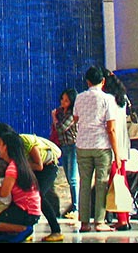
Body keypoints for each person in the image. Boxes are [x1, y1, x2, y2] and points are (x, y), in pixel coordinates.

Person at [0, 123, 64, 243]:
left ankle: (56, 230)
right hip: (28, 167)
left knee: (39, 196)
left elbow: (39, 166)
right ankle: (24, 228)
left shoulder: (24, 141)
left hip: (47, 166)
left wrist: (18, 165)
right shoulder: (9, 154)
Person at [73, 65, 120, 233]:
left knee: (84, 184)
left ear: (87, 81)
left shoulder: (79, 98)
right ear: (103, 81)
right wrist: (117, 152)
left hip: (83, 145)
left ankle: (84, 223)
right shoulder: (107, 99)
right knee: (101, 183)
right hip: (101, 146)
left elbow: (76, 118)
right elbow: (111, 128)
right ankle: (100, 222)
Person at [0, 126, 41, 242]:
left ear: (6, 147)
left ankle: (23, 229)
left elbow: (4, 193)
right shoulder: (20, 164)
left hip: (26, 212)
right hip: (30, 211)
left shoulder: (12, 168)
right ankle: (16, 232)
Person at [102, 71, 133, 231]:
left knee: (117, 182)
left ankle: (122, 220)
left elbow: (111, 129)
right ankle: (124, 218)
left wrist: (115, 153)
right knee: (122, 182)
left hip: (114, 148)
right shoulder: (122, 100)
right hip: (123, 145)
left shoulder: (108, 102)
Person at [51, 88, 79, 217]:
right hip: (65, 146)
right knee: (69, 177)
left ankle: (76, 208)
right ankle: (74, 206)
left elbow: (61, 128)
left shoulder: (73, 113)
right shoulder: (61, 112)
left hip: (73, 146)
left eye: (67, 100)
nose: (63, 102)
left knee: (73, 178)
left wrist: (54, 119)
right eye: (62, 99)